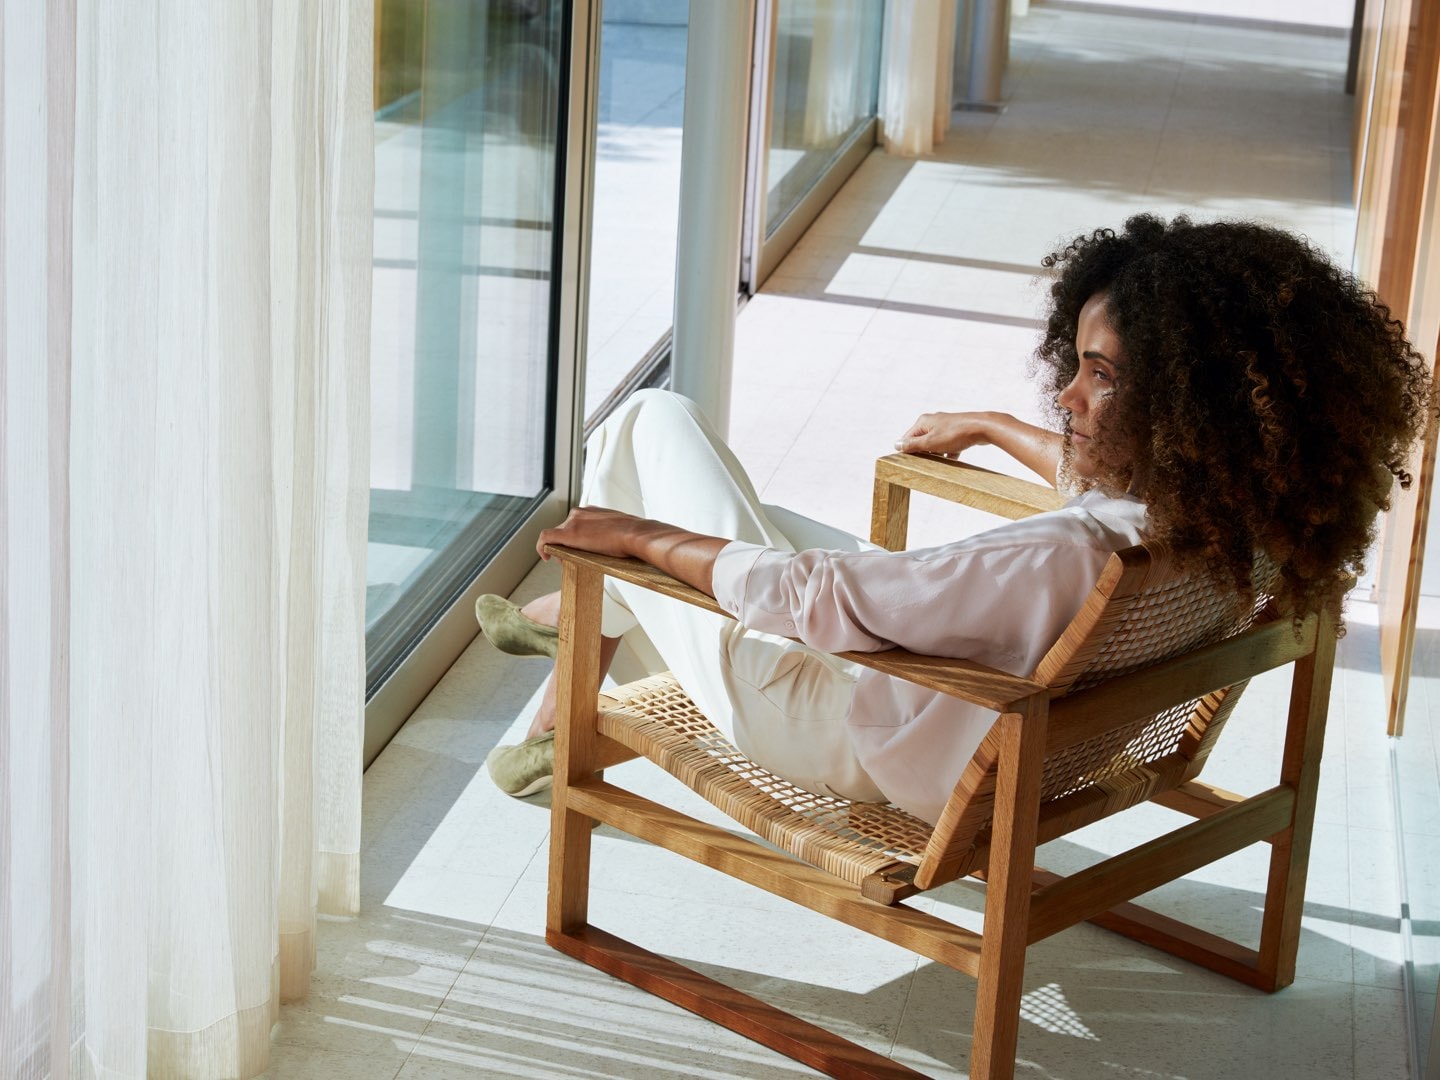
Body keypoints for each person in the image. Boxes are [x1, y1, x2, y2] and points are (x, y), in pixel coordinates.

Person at [478, 214, 1434, 823]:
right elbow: (1094, 487)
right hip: (977, 729)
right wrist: (989, 425)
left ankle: (579, 643)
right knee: (744, 514)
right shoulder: (1235, 523)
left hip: (843, 725)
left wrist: (640, 543)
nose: (1069, 396)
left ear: (1189, 408)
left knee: (649, 426)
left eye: (1100, 376)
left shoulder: (1066, 553)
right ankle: (574, 641)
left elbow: (819, 595)